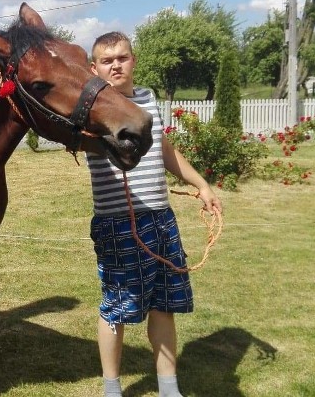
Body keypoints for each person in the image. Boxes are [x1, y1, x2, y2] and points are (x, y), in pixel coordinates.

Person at [85, 32, 222, 397]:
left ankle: (168, 388)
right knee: (117, 308)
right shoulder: (93, 107)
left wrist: (202, 184)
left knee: (164, 305)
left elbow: (165, 150)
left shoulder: (148, 100)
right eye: (107, 59)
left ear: (134, 60)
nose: (116, 64)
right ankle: (111, 389)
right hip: (118, 223)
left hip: (161, 219)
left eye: (122, 57)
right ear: (94, 67)